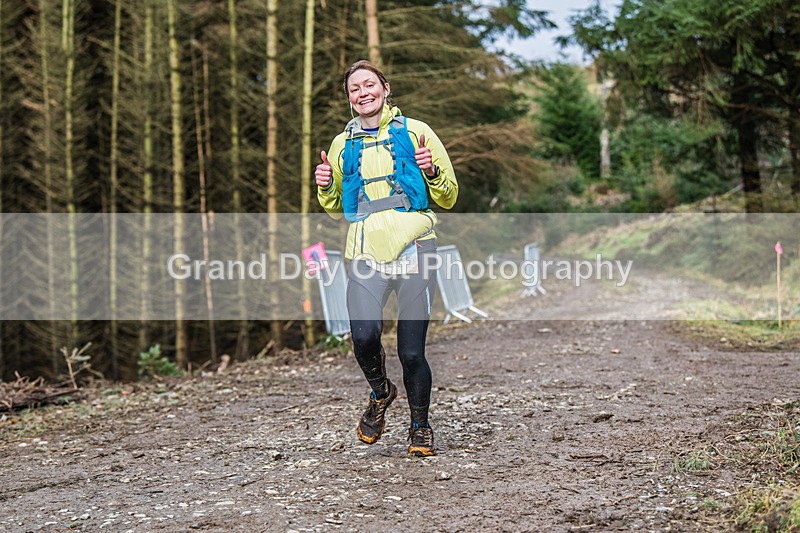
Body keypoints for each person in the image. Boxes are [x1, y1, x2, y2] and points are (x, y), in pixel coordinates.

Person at [315, 60, 458, 457]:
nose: (362, 93)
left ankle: (420, 427)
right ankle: (381, 392)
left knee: (411, 351)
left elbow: (449, 197)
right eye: (354, 89)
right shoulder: (341, 145)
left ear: (386, 88)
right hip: (363, 253)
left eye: (369, 85)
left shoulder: (418, 132)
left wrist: (430, 172)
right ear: (349, 99)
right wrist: (325, 188)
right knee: (363, 338)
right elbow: (334, 209)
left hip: (415, 248)